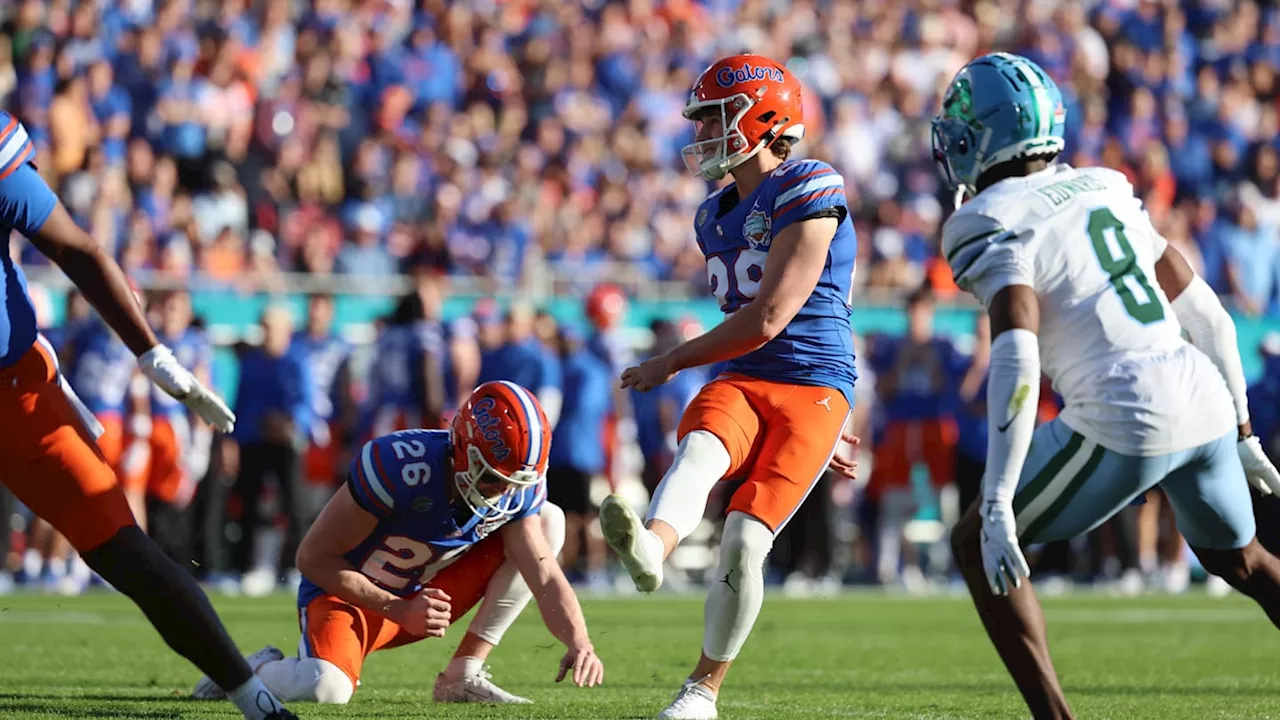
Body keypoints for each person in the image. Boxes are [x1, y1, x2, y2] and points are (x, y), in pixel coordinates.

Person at [932, 53, 1280, 720]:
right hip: (1199, 392)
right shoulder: (1103, 185)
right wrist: (1241, 429)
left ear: (990, 134)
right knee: (1248, 563)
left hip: (1126, 411)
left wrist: (998, 496)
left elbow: (1017, 353)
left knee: (973, 541)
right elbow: (1206, 314)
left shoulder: (985, 218)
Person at [0, 109, 295, 719]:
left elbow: (74, 248)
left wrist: (153, 355)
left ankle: (252, 696)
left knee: (121, 546)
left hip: (13, 391)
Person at [599, 54, 860, 720]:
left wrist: (672, 360)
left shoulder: (809, 182)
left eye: (718, 115)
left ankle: (702, 691)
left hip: (812, 384)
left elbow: (771, 315)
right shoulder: (714, 212)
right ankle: (652, 548)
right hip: (746, 377)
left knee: (746, 540)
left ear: (764, 117)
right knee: (702, 449)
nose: (706, 131)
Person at [192, 381, 604, 704]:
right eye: (495, 477)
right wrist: (397, 607)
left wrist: (579, 640)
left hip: (426, 596)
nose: (502, 492)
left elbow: (545, 575)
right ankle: (248, 670)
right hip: (349, 598)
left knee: (547, 520)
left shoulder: (512, 487)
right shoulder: (400, 466)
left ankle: (462, 675)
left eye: (514, 481)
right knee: (327, 690)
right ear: (463, 448)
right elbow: (313, 558)